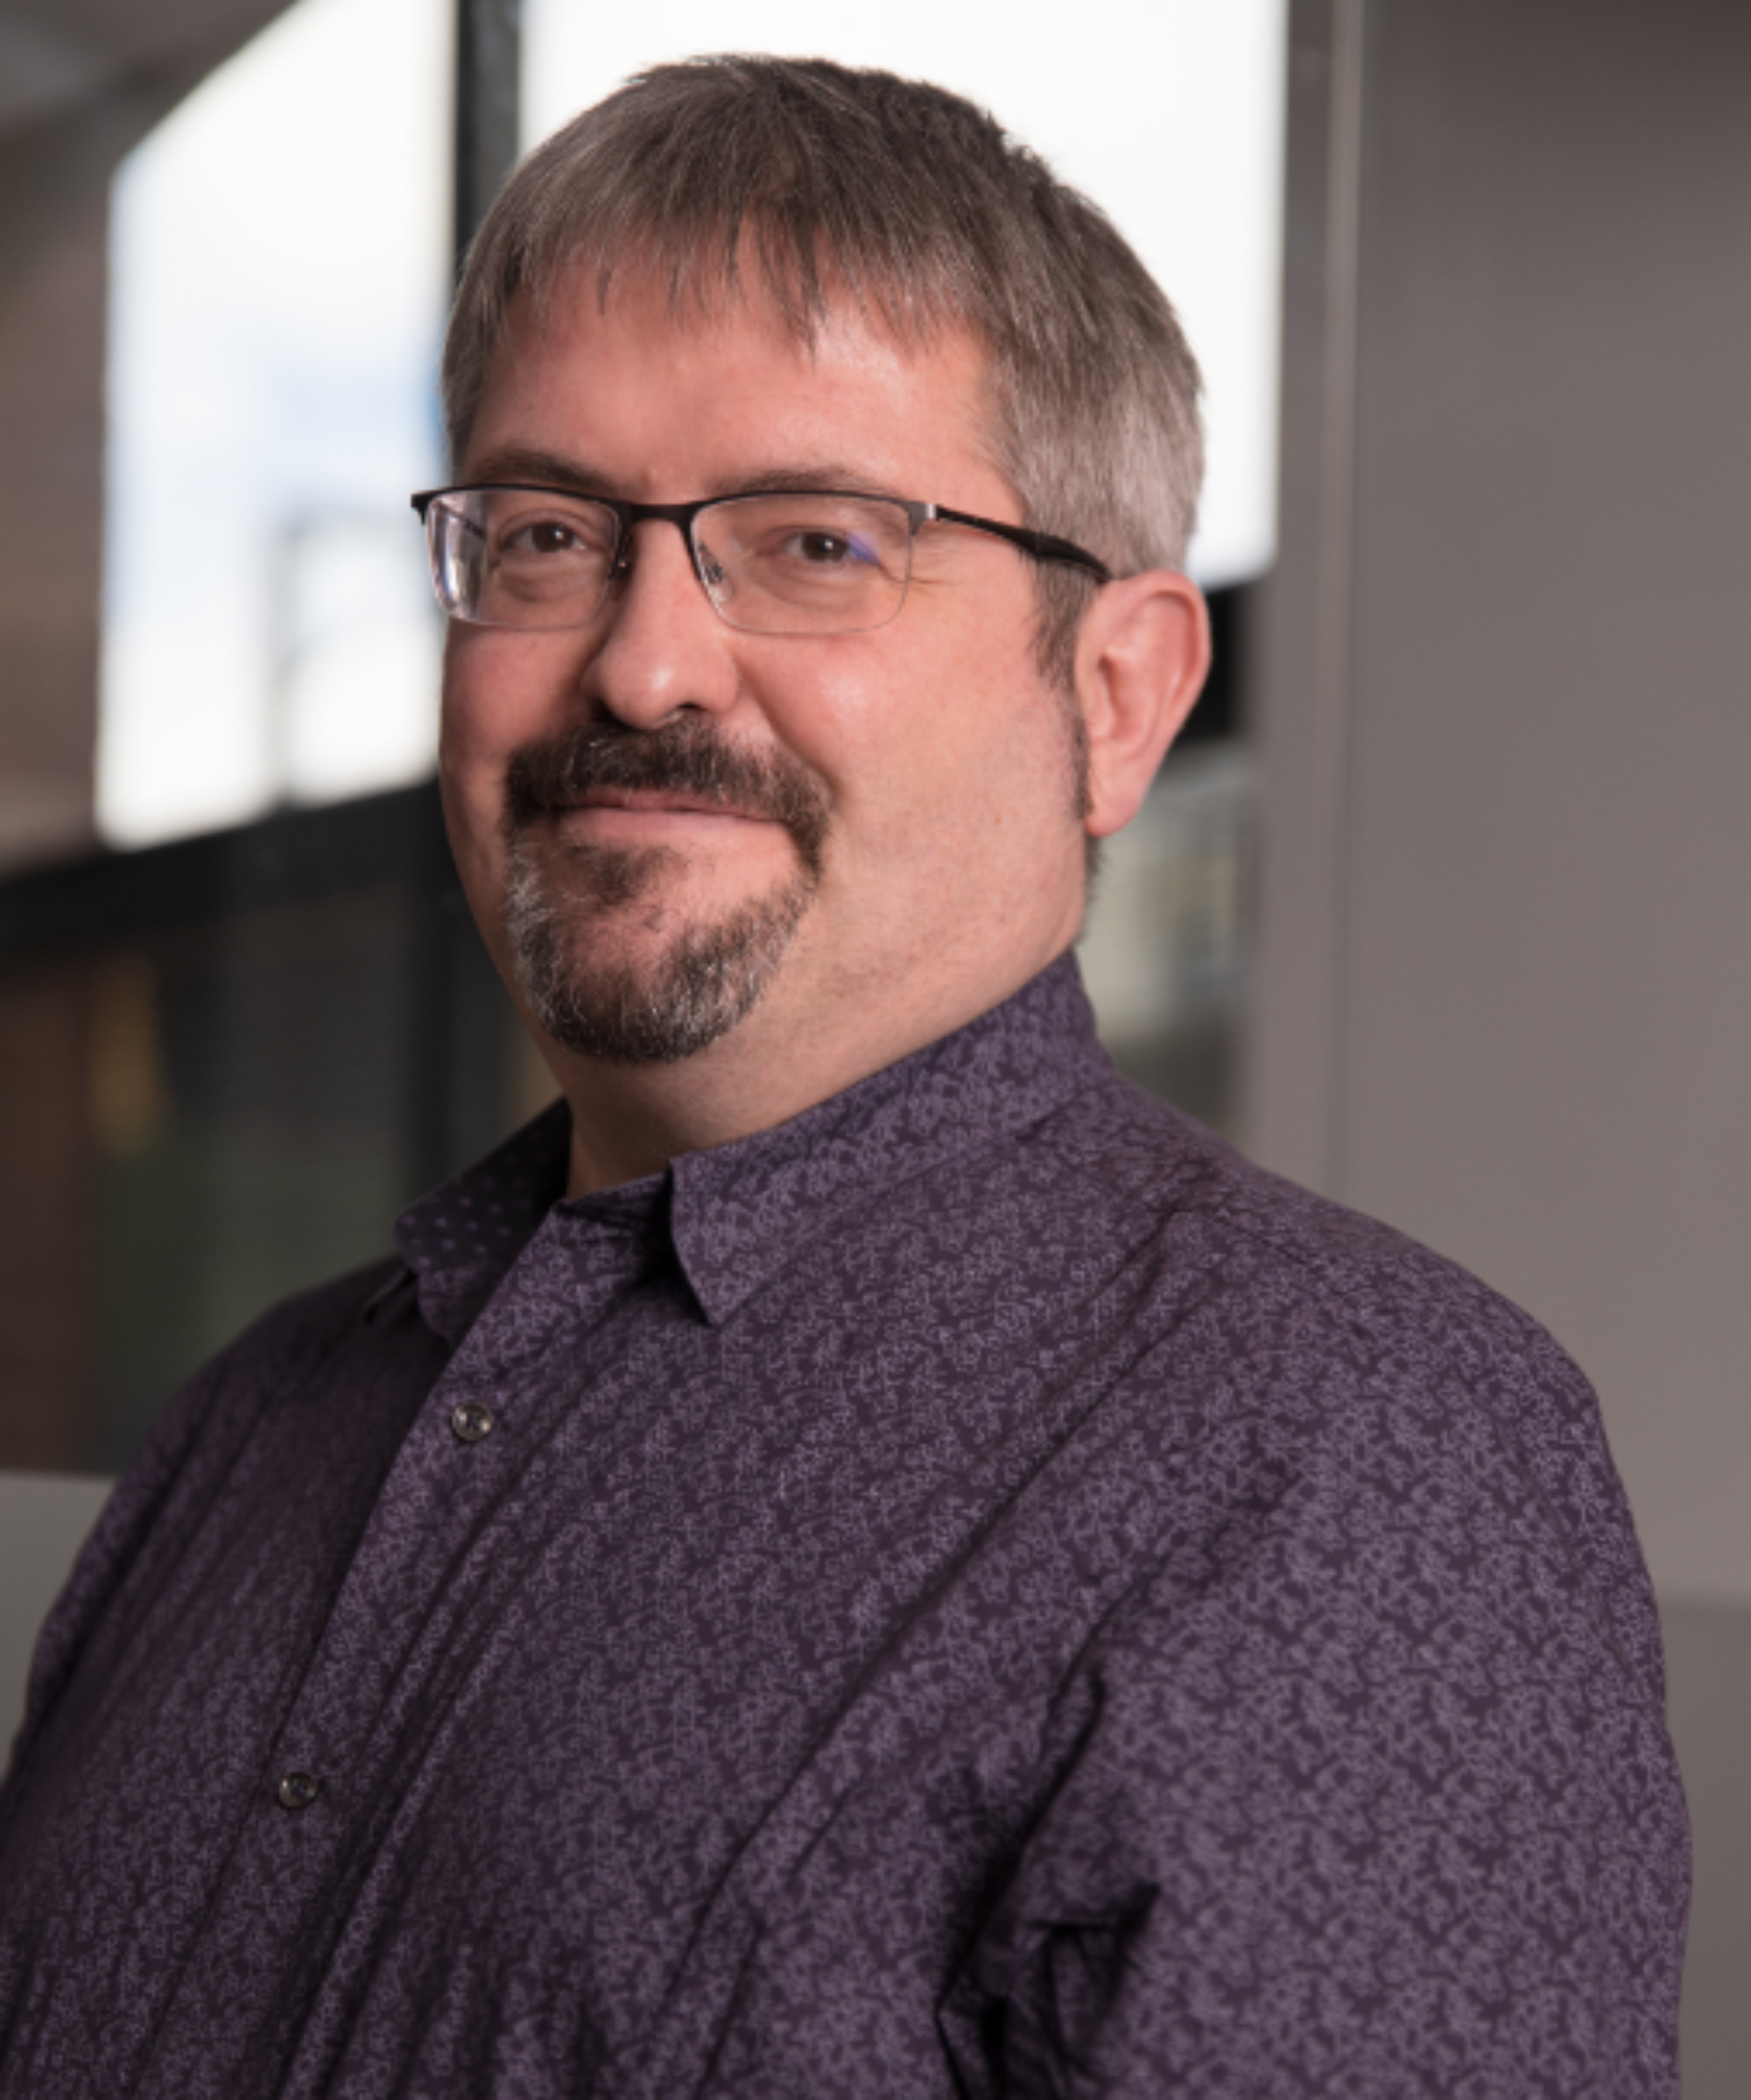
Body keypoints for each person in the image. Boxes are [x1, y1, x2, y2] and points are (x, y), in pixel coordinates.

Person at [0, 54, 1685, 2100]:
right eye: (546, 533)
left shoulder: (1348, 1460)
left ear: (1119, 692)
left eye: (812, 540)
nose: (641, 662)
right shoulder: (255, 1424)